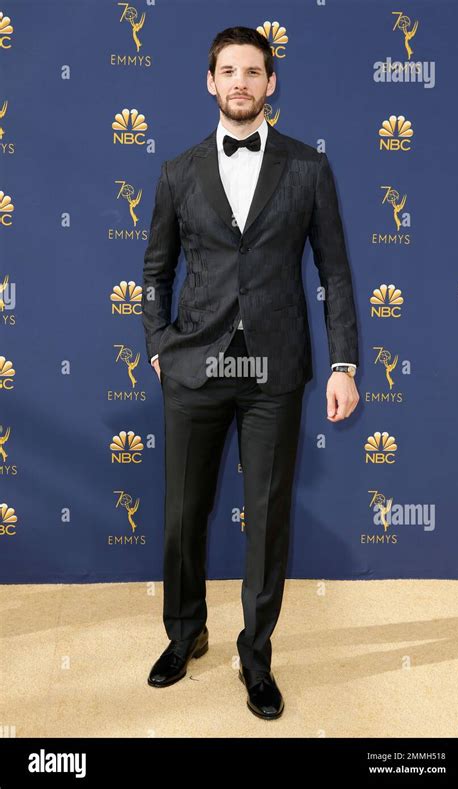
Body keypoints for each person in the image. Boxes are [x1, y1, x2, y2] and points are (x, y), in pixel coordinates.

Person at [141, 26, 360, 720]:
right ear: (210, 82)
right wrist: (158, 341)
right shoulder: (177, 171)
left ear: (271, 84)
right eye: (228, 71)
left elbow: (334, 271)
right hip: (195, 366)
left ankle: (256, 655)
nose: (240, 83)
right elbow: (154, 270)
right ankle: (185, 633)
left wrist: (344, 363)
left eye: (253, 72)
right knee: (183, 513)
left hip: (275, 370)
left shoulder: (308, 168)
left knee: (266, 520)